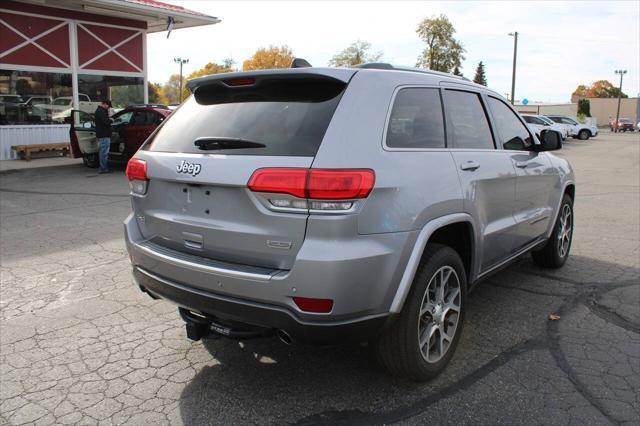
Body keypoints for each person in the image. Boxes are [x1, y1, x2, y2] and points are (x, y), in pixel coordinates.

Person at [95, 99, 113, 173]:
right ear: (104, 104)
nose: (108, 108)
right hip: (104, 135)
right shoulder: (101, 111)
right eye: (108, 106)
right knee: (104, 152)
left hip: (102, 134)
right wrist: (111, 120)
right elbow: (105, 122)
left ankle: (103, 167)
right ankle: (103, 168)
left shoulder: (99, 110)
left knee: (102, 152)